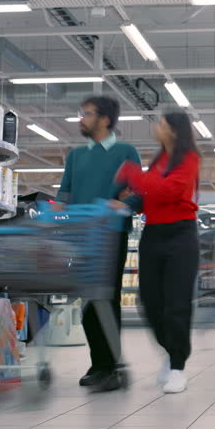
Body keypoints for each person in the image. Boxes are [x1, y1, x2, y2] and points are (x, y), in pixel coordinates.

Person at [56, 95, 142, 392]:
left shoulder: (126, 152)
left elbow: (140, 194)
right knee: (87, 301)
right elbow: (64, 195)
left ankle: (107, 365)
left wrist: (123, 203)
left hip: (109, 234)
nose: (81, 118)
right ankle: (102, 364)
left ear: (105, 119)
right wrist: (52, 212)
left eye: (87, 113)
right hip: (80, 235)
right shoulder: (76, 156)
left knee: (104, 298)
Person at [116, 109, 201, 394]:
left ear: (174, 130)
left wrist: (131, 174)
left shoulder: (189, 158)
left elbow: (169, 191)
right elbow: (152, 194)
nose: (156, 127)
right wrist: (129, 203)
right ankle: (169, 350)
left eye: (161, 123)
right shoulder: (159, 161)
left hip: (181, 235)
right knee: (149, 302)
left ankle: (178, 366)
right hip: (153, 235)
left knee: (177, 304)